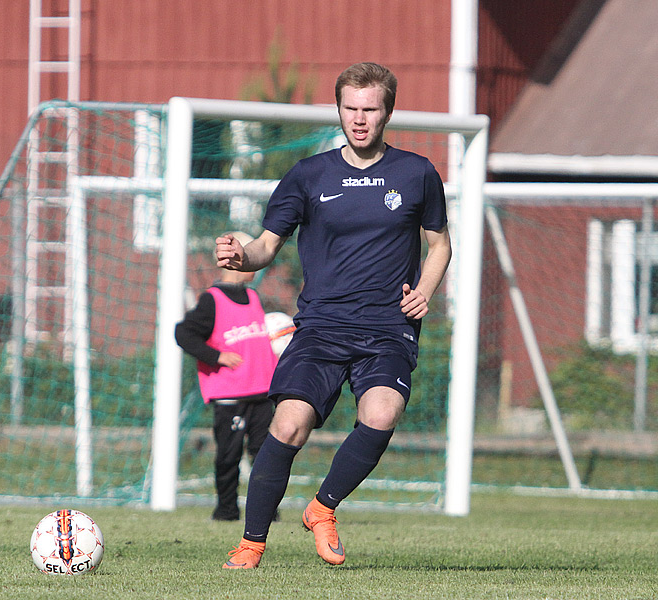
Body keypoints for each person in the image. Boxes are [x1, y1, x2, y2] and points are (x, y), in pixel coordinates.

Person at [217, 62, 452, 569]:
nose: (360, 119)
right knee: (288, 425)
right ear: (339, 109)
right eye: (351, 108)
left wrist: (425, 292)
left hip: (388, 327)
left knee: (382, 413)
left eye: (370, 109)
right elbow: (266, 245)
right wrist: (243, 258)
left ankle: (322, 509)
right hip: (322, 326)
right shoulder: (309, 174)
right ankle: (251, 544)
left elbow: (439, 244)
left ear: (388, 111)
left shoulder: (417, 173)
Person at [175, 231, 279, 521]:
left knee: (265, 454)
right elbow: (183, 334)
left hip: (261, 391)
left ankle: (266, 511)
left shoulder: (254, 297)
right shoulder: (213, 299)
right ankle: (226, 510)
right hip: (230, 394)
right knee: (229, 455)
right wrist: (217, 356)